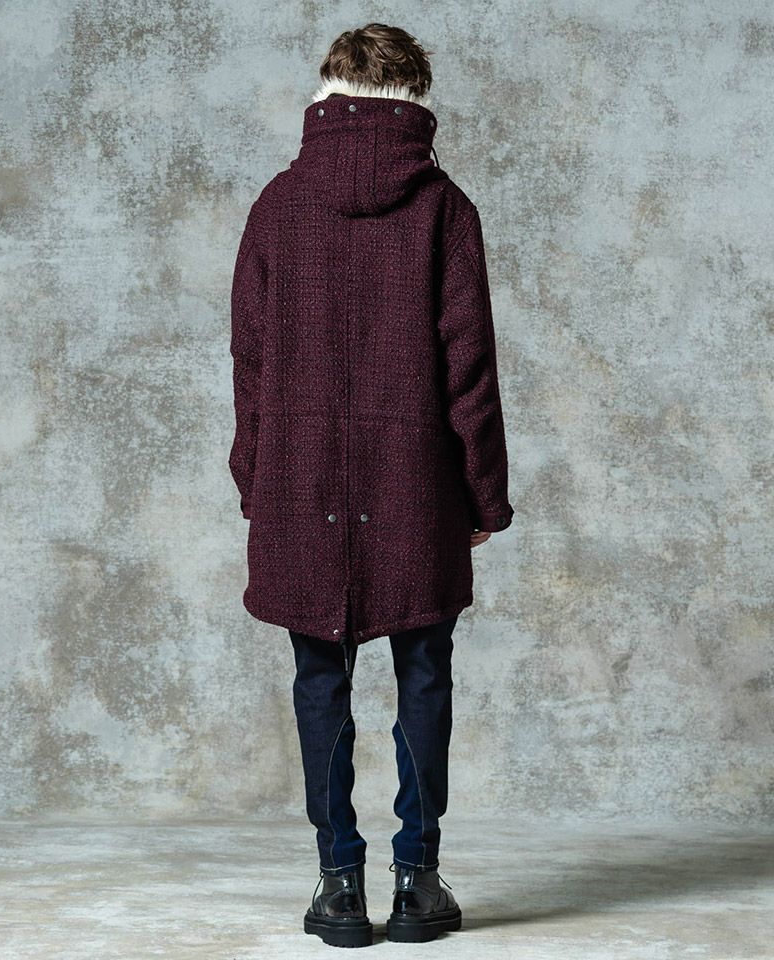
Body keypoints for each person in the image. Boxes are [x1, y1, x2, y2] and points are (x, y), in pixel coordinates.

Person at [229, 22, 514, 947]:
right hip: (416, 484)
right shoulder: (445, 209)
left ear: (329, 92)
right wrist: (482, 495)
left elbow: (250, 360)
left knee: (320, 677)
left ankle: (337, 886)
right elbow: (469, 370)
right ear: (415, 100)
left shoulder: (279, 204)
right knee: (425, 673)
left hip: (300, 478)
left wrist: (257, 480)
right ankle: (418, 881)